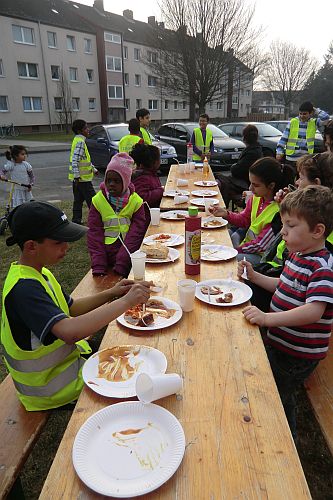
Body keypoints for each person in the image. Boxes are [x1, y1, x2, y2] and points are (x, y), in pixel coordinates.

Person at [0, 201, 150, 411]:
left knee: (130, 357)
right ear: (31, 246)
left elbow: (71, 308)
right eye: (58, 242)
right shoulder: (24, 290)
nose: (66, 247)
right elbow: (70, 333)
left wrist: (113, 293)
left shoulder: (38, 273)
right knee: (133, 382)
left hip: (64, 366)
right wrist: (126, 302)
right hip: (51, 388)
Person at [239, 185, 333, 438]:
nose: (283, 231)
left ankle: (281, 438)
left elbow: (313, 310)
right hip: (282, 343)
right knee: (277, 390)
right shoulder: (297, 255)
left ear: (317, 231)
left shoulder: (322, 267)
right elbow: (282, 284)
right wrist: (255, 276)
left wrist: (268, 318)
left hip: (298, 355)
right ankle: (280, 431)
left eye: (290, 226)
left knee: (275, 394)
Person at [247, 152, 333, 312]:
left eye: (301, 178)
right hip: (277, 273)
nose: (296, 182)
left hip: (278, 277)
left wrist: (266, 319)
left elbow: (312, 308)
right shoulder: (298, 251)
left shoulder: (319, 257)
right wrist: (286, 211)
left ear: (316, 184)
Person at [210, 157, 294, 265]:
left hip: (260, 256)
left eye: (256, 185)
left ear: (271, 185)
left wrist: (235, 250)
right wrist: (226, 214)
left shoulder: (278, 211)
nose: (250, 188)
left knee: (228, 260)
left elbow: (260, 245)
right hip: (248, 247)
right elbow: (244, 219)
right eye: (250, 183)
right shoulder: (257, 197)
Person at [87, 153, 146, 277]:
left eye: (116, 181)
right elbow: (94, 234)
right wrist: (98, 264)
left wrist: (123, 261)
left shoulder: (136, 202)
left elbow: (136, 234)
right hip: (105, 259)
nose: (111, 184)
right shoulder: (97, 201)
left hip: (129, 258)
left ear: (126, 182)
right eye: (108, 180)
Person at [216, 125, 263, 207]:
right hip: (243, 180)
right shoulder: (255, 149)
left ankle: (222, 207)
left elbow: (237, 170)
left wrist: (234, 166)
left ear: (245, 137)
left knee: (222, 183)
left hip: (244, 182)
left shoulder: (252, 152)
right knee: (220, 179)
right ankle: (222, 206)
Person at [276, 101, 330, 166]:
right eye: (300, 113)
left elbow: (326, 118)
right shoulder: (293, 122)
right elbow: (284, 138)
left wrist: (316, 110)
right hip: (291, 159)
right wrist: (279, 152)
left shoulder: (314, 122)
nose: (302, 116)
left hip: (306, 159)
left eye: (304, 114)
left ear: (311, 113)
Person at [69, 119, 98, 225]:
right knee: (93, 201)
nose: (88, 130)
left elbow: (83, 159)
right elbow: (75, 160)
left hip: (78, 179)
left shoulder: (77, 140)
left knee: (78, 200)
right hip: (82, 179)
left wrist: (93, 169)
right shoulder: (80, 142)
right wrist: (77, 176)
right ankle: (96, 219)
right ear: (79, 130)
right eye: (85, 128)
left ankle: (76, 220)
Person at [130, 143, 164, 208]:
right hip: (147, 215)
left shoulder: (151, 174)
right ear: (154, 162)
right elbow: (142, 198)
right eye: (159, 158)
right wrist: (161, 191)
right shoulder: (142, 177)